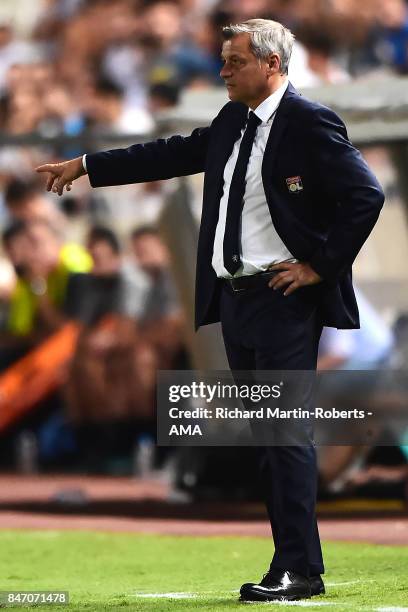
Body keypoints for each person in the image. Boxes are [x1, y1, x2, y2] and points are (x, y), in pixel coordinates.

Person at [36, 18, 385, 602]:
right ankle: (294, 563)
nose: (222, 70)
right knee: (267, 439)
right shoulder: (231, 122)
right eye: (223, 60)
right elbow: (168, 153)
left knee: (284, 435)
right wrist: (89, 166)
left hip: (282, 300)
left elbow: (366, 195)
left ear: (272, 65)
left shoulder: (310, 122)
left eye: (234, 62)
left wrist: (320, 266)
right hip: (237, 300)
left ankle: (300, 567)